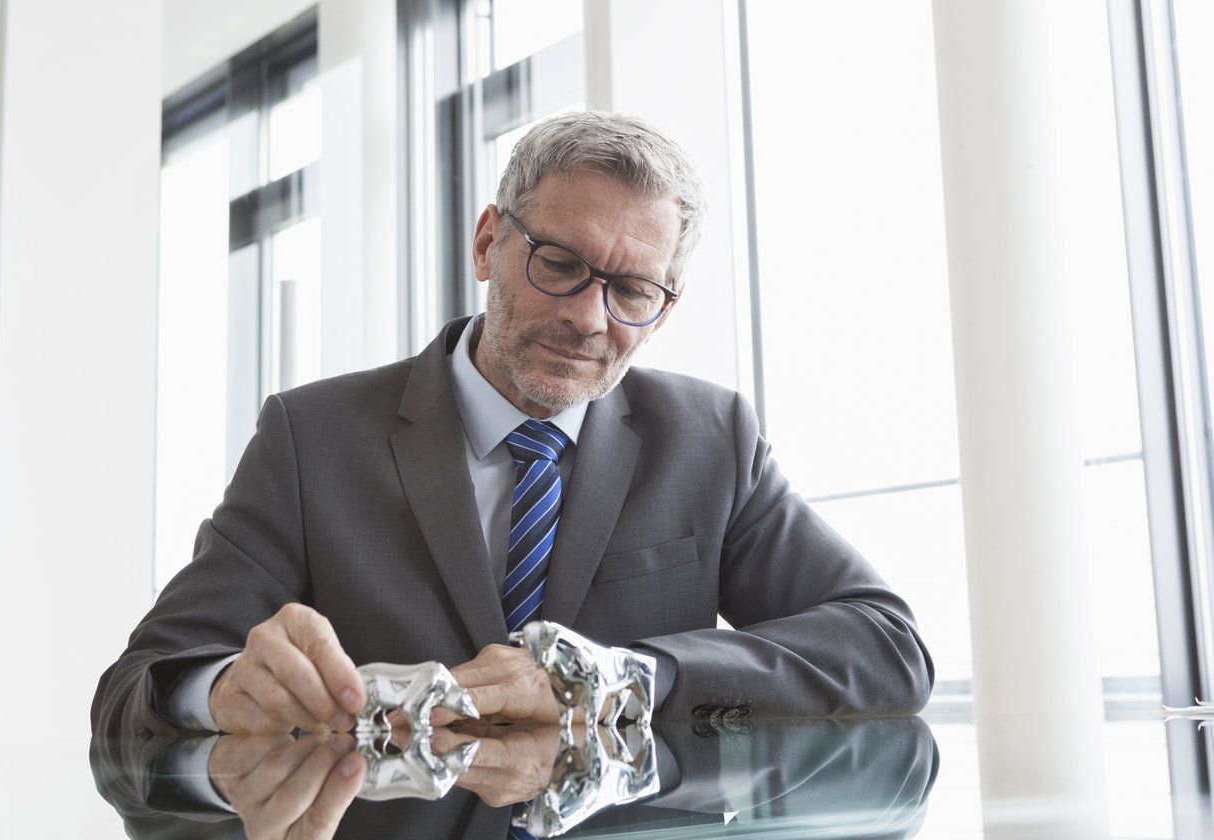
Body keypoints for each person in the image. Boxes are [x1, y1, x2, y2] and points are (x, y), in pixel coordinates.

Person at [91, 111, 932, 748]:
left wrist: (623, 678)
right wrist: (222, 689)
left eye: (631, 292)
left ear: (663, 310)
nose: (587, 319)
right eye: (559, 264)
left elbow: (885, 645)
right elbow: (138, 687)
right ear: (489, 241)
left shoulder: (712, 439)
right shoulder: (311, 440)